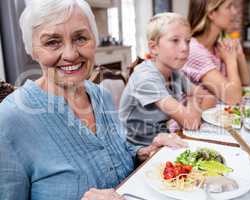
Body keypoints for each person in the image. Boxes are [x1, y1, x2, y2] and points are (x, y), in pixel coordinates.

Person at [0, 1, 187, 200]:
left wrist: (145, 153)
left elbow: (116, 154)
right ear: (32, 50)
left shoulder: (101, 95)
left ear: (94, 41)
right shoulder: (9, 120)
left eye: (80, 38)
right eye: (52, 42)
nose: (71, 54)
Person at [119, 13, 216, 146]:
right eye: (175, 40)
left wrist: (193, 101)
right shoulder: (146, 78)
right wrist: (193, 99)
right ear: (154, 48)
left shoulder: (174, 71)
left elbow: (208, 97)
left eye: (187, 41)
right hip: (137, 152)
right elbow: (191, 123)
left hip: (164, 141)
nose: (185, 48)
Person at [182, 0, 250, 105]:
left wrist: (240, 55)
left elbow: (246, 84)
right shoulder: (193, 51)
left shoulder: (218, 46)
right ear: (211, 14)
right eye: (229, 7)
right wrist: (230, 60)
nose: (234, 12)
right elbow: (234, 98)